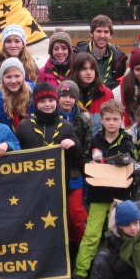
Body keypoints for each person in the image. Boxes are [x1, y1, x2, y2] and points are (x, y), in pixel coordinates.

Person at [73, 99, 135, 279]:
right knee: (91, 234)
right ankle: (81, 270)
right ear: (102, 119)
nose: (111, 123)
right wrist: (89, 165)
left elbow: (135, 166)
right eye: (107, 119)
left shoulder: (127, 142)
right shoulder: (95, 141)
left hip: (120, 197)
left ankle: (120, 269)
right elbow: (83, 161)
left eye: (115, 119)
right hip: (98, 195)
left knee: (117, 234)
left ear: (121, 120)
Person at [16, 83, 84, 247]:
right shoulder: (25, 126)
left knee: (60, 226)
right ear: (36, 103)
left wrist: (73, 143)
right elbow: (16, 154)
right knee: (34, 226)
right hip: (32, 189)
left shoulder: (66, 127)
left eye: (50, 100)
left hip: (58, 189)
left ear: (56, 101)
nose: (47, 104)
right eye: (43, 101)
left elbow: (79, 155)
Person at [67, 51, 114, 136]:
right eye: (84, 69)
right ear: (76, 71)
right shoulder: (67, 93)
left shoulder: (106, 93)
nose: (89, 72)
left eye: (92, 69)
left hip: (99, 144)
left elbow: (112, 123)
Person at [74, 14, 127, 88]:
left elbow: (119, 86)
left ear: (111, 35)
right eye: (99, 31)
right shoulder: (77, 55)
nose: (102, 36)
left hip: (110, 98)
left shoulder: (119, 59)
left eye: (106, 32)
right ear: (91, 33)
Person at [0, 57, 34, 132]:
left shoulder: (34, 92)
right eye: (8, 77)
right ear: (2, 79)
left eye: (17, 76)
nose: (13, 81)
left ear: (23, 76)